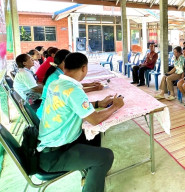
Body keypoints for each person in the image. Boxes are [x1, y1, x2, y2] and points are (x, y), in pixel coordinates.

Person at [38, 52, 124, 192]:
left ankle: (91, 174)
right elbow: (95, 119)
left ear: (64, 66)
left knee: (94, 136)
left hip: (50, 144)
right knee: (105, 156)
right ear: (84, 68)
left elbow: (73, 104)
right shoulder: (73, 90)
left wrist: (98, 103)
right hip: (55, 154)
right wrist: (116, 106)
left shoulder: (57, 83)